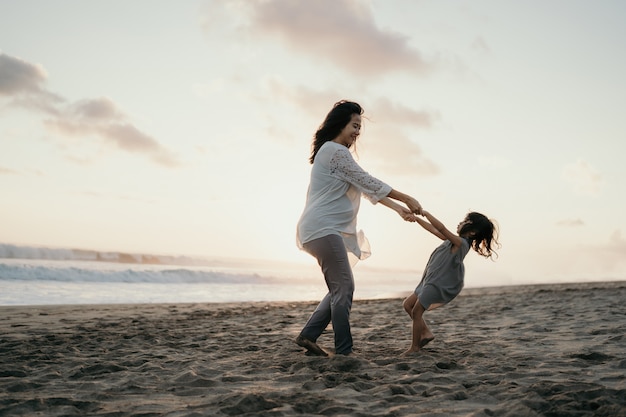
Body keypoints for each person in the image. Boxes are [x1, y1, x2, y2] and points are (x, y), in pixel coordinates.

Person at [295, 100, 422, 356]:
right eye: (354, 125)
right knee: (344, 288)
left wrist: (398, 210)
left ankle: (309, 336)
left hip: (319, 229)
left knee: (339, 288)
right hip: (323, 228)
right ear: (339, 123)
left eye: (359, 128)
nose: (357, 132)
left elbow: (364, 188)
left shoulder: (332, 152)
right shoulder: (334, 151)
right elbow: (367, 180)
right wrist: (405, 197)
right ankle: (344, 351)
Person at [402, 210, 500, 355]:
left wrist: (425, 213)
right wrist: (416, 219)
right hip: (428, 279)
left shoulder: (461, 244)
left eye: (465, 222)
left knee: (416, 312)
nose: (460, 223)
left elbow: (441, 228)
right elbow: (434, 230)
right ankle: (426, 333)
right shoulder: (452, 240)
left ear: (472, 232)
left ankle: (415, 347)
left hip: (436, 283)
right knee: (407, 304)